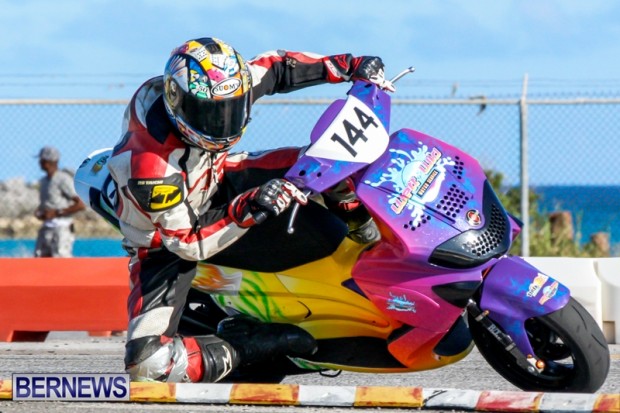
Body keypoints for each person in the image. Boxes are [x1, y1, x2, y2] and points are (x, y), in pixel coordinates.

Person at [104, 37, 390, 383]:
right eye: (210, 115)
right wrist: (251, 205)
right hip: (165, 238)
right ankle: (251, 346)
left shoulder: (218, 85)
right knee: (150, 367)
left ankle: (368, 236)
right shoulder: (151, 170)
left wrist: (350, 66)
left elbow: (277, 67)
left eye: (231, 110)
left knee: (331, 160)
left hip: (216, 176)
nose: (222, 123)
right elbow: (186, 242)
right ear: (177, 102)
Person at [34, 146, 86, 257]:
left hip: (62, 227)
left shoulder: (63, 179)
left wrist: (57, 213)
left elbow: (80, 204)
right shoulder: (44, 181)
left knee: (61, 258)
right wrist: (40, 212)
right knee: (40, 258)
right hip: (47, 228)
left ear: (50, 161)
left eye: (42, 160)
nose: (39, 163)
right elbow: (48, 202)